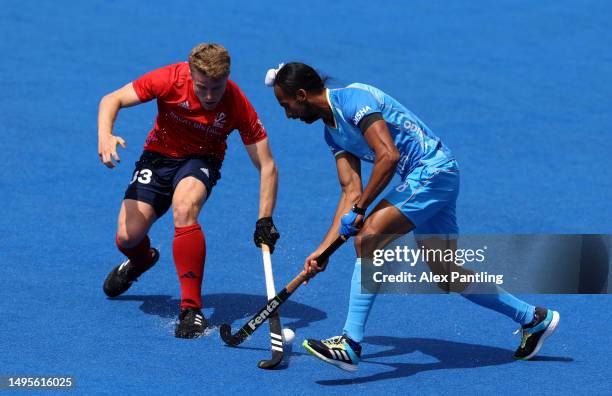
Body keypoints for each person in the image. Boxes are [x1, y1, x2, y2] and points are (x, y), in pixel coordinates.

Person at [266, 62, 559, 371]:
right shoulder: (332, 135)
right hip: (430, 178)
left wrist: (361, 208)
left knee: (368, 238)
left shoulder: (354, 100)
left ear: (301, 95)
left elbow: (388, 156)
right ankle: (534, 318)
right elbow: (350, 193)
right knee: (446, 273)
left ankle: (350, 343)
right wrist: (322, 250)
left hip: (432, 172)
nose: (288, 115)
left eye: (286, 106)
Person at [98, 43, 280, 339]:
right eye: (202, 88)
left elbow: (267, 165)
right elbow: (112, 99)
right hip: (158, 157)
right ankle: (141, 260)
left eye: (216, 88)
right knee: (128, 236)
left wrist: (264, 218)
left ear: (227, 77)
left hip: (201, 160)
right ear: (190, 74)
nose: (210, 97)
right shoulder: (169, 79)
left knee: (184, 209)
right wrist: (105, 135)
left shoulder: (236, 103)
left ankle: (191, 310)